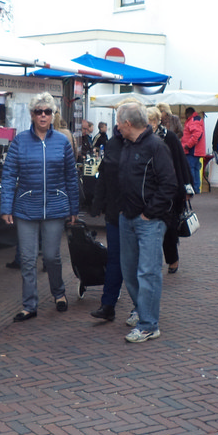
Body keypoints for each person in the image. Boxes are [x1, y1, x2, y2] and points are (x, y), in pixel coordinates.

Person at [0, 92, 79, 321]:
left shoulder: (62, 142)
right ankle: (29, 305)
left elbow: (71, 177)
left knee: (52, 257)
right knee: (27, 258)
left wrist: (74, 208)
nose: (43, 115)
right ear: (32, 115)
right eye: (38, 111)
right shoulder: (20, 141)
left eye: (47, 111)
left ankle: (59, 292)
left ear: (53, 115)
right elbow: (9, 175)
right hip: (26, 207)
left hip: (55, 207)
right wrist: (6, 207)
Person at [115, 100, 177, 343]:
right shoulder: (127, 144)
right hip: (128, 217)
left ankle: (149, 324)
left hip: (149, 221)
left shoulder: (156, 146)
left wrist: (149, 213)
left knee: (148, 272)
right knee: (130, 270)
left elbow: (169, 184)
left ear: (128, 123)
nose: (116, 127)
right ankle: (141, 309)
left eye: (118, 123)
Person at [148, 106, 194, 274]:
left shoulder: (170, 137)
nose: (148, 124)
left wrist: (186, 188)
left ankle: (172, 259)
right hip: (150, 189)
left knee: (169, 227)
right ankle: (152, 261)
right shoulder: (142, 139)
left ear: (156, 121)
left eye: (150, 121)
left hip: (170, 188)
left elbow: (181, 162)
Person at [88, 119, 125, 322]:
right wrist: (97, 204)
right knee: (114, 259)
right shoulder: (112, 144)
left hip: (138, 215)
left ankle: (141, 309)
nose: (118, 125)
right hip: (114, 212)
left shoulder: (149, 144)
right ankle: (108, 304)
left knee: (137, 262)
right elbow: (103, 175)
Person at [181, 107, 206, 194]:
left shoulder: (193, 120)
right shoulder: (197, 120)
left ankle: (193, 187)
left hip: (192, 150)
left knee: (191, 168)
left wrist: (188, 145)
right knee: (195, 169)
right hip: (196, 150)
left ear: (188, 113)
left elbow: (196, 134)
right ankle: (196, 188)